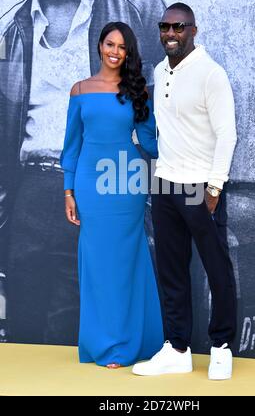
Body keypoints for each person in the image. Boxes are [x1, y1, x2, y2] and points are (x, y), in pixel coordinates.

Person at [0, 0, 165, 344]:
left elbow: (175, 102)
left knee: (74, 331)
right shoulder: (14, 25)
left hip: (102, 187)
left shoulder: (136, 4)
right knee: (25, 334)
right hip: (32, 196)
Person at [132, 3, 238, 380]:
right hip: (164, 183)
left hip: (199, 186)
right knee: (171, 270)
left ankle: (222, 346)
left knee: (216, 267)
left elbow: (228, 134)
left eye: (178, 26)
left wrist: (214, 187)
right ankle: (177, 348)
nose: (170, 33)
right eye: (165, 27)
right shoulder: (160, 71)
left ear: (193, 30)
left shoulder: (211, 74)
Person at [60, 21, 163, 367]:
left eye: (122, 47)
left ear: (128, 52)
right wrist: (68, 191)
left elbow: (149, 143)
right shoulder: (79, 90)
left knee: (124, 263)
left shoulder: (137, 91)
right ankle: (100, 343)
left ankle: (123, 344)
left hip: (127, 185)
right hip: (91, 185)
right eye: (110, 44)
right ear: (100, 46)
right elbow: (71, 147)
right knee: (97, 266)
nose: (115, 52)